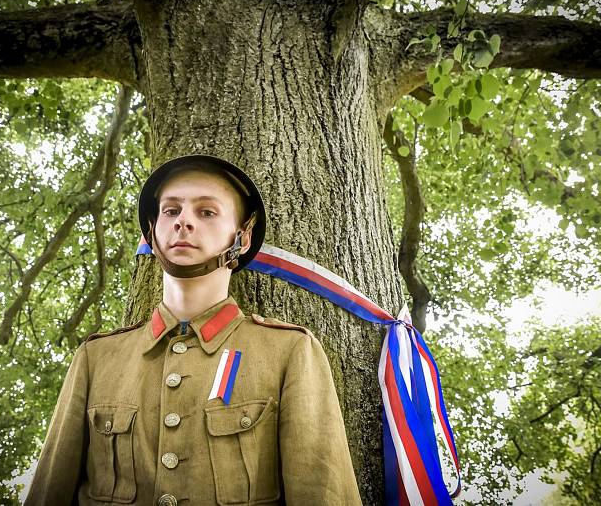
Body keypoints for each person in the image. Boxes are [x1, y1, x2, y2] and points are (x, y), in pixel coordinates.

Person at [25, 154, 362, 506]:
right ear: (151, 232)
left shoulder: (289, 352)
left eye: (207, 212)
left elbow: (322, 492)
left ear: (242, 238)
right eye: (171, 211)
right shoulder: (96, 358)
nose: (183, 221)